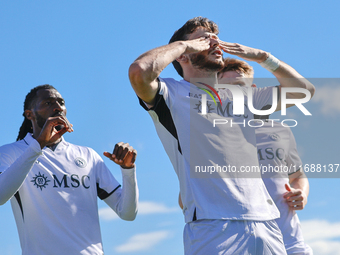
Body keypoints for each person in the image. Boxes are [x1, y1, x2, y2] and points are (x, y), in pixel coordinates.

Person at [129, 16, 315, 254]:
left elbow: (304, 92)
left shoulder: (244, 97)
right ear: (183, 55)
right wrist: (183, 46)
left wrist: (262, 57)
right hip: (212, 227)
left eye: (215, 38)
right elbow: (138, 72)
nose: (214, 43)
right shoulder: (171, 94)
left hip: (268, 224)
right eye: (205, 40)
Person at [180, 58, 313, 254]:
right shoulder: (209, 136)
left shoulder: (281, 130)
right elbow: (185, 199)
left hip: (291, 244)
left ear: (254, 89)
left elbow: (298, 176)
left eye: (241, 87)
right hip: (238, 243)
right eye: (227, 88)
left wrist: (302, 193)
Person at [0, 84, 139, 255]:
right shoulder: (10, 153)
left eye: (61, 102)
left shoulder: (88, 155)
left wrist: (128, 171)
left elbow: (127, 212)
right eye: (48, 103)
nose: (58, 107)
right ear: (30, 114)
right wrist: (38, 145)